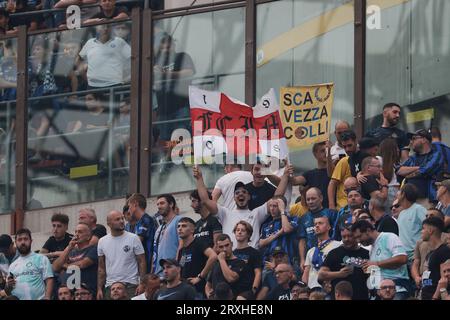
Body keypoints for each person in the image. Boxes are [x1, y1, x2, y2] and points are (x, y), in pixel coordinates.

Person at [193, 164, 291, 248]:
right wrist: (199, 178)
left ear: (249, 197)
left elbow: (276, 198)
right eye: (237, 193)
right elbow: (206, 200)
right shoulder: (225, 213)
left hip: (251, 261)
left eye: (244, 192)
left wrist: (286, 175)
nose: (241, 194)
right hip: (231, 259)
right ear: (234, 198)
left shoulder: (256, 213)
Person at [351, 220, 410, 299]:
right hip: (380, 292)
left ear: (368, 230)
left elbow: (403, 258)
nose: (358, 241)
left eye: (359, 236)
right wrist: (369, 270)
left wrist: (376, 263)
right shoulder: (372, 249)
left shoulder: (389, 237)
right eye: (356, 238)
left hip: (396, 290)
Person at [97, 210, 146, 300]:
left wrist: (142, 283)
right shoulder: (102, 241)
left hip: (131, 285)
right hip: (110, 286)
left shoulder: (133, 238)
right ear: (109, 223)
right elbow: (101, 267)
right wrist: (99, 288)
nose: (121, 221)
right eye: (117, 219)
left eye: (122, 218)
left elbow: (142, 261)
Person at [319, 226, 370, 300]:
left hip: (361, 296)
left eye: (350, 236)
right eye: (344, 237)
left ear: (356, 236)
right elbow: (321, 275)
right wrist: (339, 274)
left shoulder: (366, 253)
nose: (347, 239)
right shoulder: (334, 253)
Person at [397, 129, 444, 205]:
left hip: (428, 199)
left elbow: (426, 171)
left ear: (424, 140)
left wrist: (408, 174)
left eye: (414, 138)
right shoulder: (413, 158)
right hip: (409, 200)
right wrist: (418, 168)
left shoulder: (436, 155)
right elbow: (399, 171)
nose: (411, 142)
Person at [5, 229, 54, 300]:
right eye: (19, 240)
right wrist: (8, 286)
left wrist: (47, 297)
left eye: (25, 239)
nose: (23, 242)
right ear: (15, 242)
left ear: (31, 241)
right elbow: (7, 291)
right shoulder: (12, 265)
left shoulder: (41, 258)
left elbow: (49, 280)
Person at [78, 24, 131, 88]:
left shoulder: (119, 41)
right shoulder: (90, 42)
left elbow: (132, 59)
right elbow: (79, 61)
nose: (105, 29)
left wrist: (126, 79)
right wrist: (85, 76)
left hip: (114, 85)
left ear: (111, 28)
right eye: (103, 26)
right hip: (92, 85)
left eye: (108, 26)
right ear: (97, 29)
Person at [52, 223, 98, 295]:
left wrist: (65, 265)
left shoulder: (94, 249)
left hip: (85, 293)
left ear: (88, 237)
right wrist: (69, 248)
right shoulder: (70, 251)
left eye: (80, 232)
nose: (76, 235)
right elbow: (55, 267)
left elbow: (82, 264)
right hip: (68, 294)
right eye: (75, 232)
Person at [328, 130, 369, 210]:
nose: (347, 149)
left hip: (367, 199)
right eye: (344, 146)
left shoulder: (364, 156)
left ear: (356, 141)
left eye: (350, 145)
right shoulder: (349, 160)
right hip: (357, 201)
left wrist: (362, 174)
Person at [298, 188, 337, 272]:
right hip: (311, 257)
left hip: (329, 255)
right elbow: (302, 240)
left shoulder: (331, 213)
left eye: (313, 198)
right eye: (308, 199)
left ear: (321, 198)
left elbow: (337, 234)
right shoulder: (303, 218)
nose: (310, 202)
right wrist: (302, 259)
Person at [177, 217, 217, 297]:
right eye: (178, 226)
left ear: (192, 230)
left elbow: (213, 256)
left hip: (198, 291)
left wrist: (200, 277)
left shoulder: (199, 243)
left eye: (184, 226)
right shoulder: (182, 250)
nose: (180, 228)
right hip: (184, 292)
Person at [411, 208, 449, 291]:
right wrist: (417, 278)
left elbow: (442, 277)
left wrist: (436, 296)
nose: (428, 217)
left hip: (438, 285)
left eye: (431, 216)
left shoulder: (446, 242)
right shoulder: (420, 242)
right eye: (426, 216)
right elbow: (415, 263)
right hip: (426, 282)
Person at [303, 216, 340, 291]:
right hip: (312, 289)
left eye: (320, 223)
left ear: (329, 227)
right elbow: (306, 272)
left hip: (330, 286)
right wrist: (304, 288)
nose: (317, 226)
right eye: (315, 224)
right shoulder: (311, 251)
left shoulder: (338, 245)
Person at [291, 142, 332, 208]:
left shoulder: (336, 170)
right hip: (315, 213)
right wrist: (289, 171)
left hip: (333, 211)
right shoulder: (310, 174)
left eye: (328, 150)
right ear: (315, 154)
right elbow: (294, 181)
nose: (326, 153)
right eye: (323, 151)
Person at [259, 196, 298, 265]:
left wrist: (282, 211)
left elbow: (286, 229)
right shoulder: (266, 225)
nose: (272, 209)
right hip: (270, 264)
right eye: (270, 206)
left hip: (288, 263)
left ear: (282, 206)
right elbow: (261, 243)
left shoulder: (293, 219)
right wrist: (278, 233)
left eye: (275, 206)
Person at [205, 234, 246, 299]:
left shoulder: (240, 262)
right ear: (217, 248)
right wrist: (209, 296)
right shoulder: (216, 263)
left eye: (227, 245)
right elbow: (208, 284)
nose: (224, 249)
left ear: (232, 244)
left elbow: (231, 278)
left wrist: (222, 260)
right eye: (221, 247)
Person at [419, 217, 450, 300]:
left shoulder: (444, 251)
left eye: (423, 229)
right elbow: (430, 277)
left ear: (430, 230)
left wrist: (435, 297)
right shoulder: (430, 253)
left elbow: (444, 279)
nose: (421, 232)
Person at [126, 193, 158, 273]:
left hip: (147, 263)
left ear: (135, 204)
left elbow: (137, 242)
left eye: (129, 207)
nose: (128, 210)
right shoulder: (139, 221)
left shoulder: (145, 219)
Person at [152, 194, 183, 276]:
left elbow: (181, 246)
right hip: (159, 274)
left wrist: (176, 267)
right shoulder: (159, 228)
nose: (159, 206)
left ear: (171, 204)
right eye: (157, 204)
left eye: (162, 203)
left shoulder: (179, 221)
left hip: (173, 272)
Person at [397, 183, 427, 264]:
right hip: (404, 256)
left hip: (416, 255)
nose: (397, 194)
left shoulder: (418, 209)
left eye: (399, 191)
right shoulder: (401, 213)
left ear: (403, 194)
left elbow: (429, 225)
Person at [233, 221, 263, 295]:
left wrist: (253, 291)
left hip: (247, 292)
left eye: (243, 230)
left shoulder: (254, 253)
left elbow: (258, 273)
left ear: (248, 234)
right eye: (237, 230)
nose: (239, 232)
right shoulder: (232, 253)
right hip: (233, 292)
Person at [379, 137, 402, 208]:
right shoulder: (379, 160)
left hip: (397, 192)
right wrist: (359, 174)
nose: (398, 150)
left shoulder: (396, 164)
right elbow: (367, 169)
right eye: (396, 148)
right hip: (388, 191)